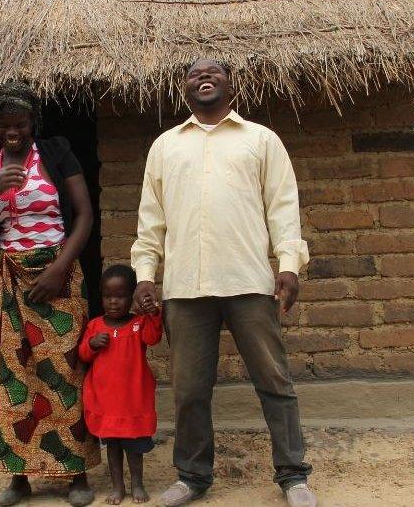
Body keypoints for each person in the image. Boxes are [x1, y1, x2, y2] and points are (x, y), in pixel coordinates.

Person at [131, 59, 318, 507]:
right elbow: (150, 221)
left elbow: (283, 207)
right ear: (184, 88)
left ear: (231, 85)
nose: (204, 78)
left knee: (274, 381)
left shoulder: (261, 140)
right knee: (190, 390)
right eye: (195, 74)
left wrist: (288, 264)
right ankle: (193, 476)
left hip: (249, 281)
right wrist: (145, 275)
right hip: (186, 289)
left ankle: (293, 476)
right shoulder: (165, 146)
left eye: (213, 72)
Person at [0, 81, 99, 507]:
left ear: (32, 123)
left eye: (20, 124)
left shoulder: (57, 152)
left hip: (59, 275)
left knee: (63, 370)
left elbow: (85, 215)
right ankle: (18, 476)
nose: (13, 133)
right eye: (4, 126)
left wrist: (60, 268)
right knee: (14, 374)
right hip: (11, 280)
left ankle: (74, 472)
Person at [78, 265, 162, 505]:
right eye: (108, 296)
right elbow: (83, 354)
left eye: (120, 296)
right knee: (113, 447)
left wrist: (153, 314)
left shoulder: (138, 324)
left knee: (134, 448)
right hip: (107, 403)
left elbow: (153, 338)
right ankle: (118, 487)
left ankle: (137, 484)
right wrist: (93, 344)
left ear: (132, 296)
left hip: (133, 401)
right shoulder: (95, 326)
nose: (113, 302)